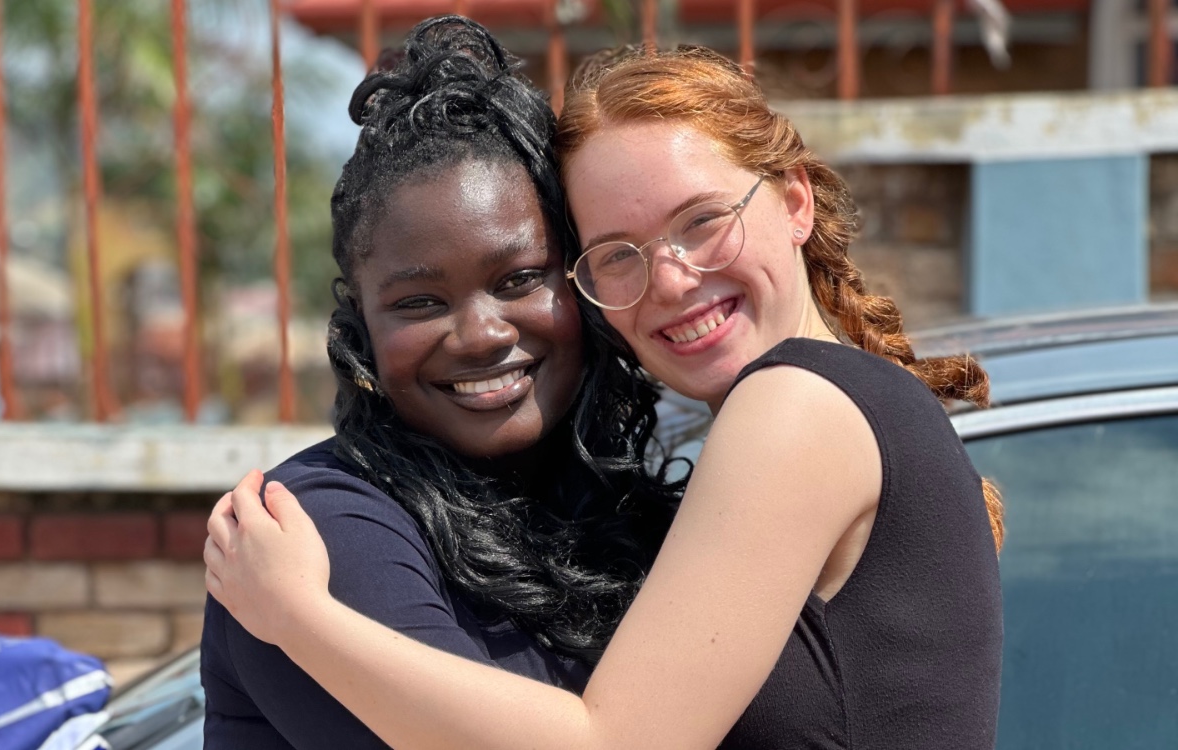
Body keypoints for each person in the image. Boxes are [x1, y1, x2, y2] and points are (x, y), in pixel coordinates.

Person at [206, 42, 1006, 749]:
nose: (671, 278)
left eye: (703, 221)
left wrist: (300, 619)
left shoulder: (792, 407)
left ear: (795, 201)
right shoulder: (335, 518)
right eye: (618, 254)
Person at [199, 19, 682, 748]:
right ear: (360, 324)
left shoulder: (613, 503)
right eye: (420, 303)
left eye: (519, 279)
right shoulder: (318, 534)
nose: (482, 333)